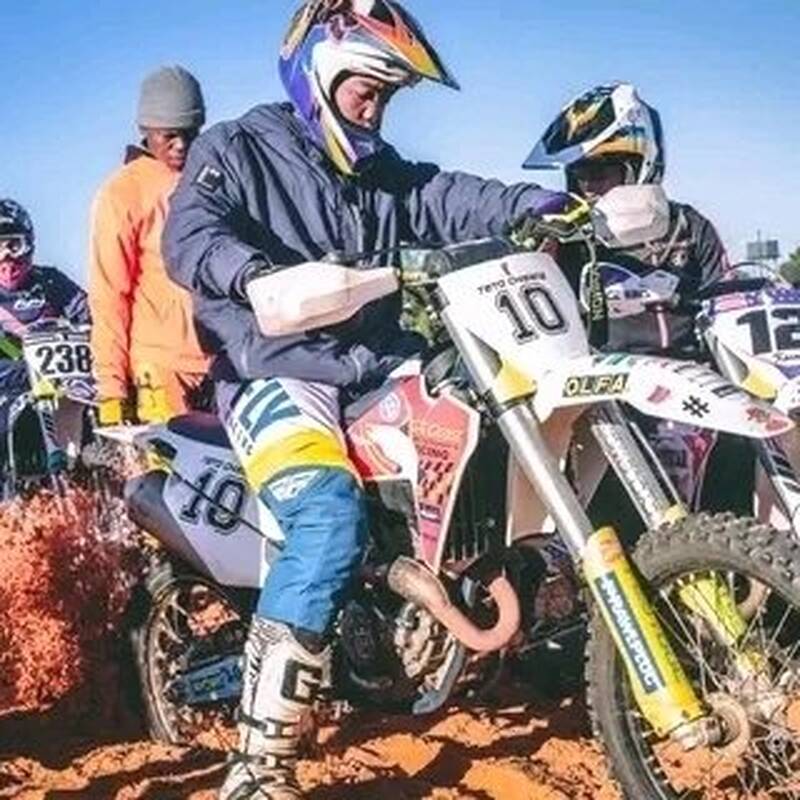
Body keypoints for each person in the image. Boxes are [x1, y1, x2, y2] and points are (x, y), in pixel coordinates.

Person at [162, 2, 569, 797]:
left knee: (483, 414)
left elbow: (450, 195)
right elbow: (191, 236)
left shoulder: (383, 172)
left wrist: (539, 205)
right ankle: (258, 767)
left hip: (374, 366)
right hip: (275, 369)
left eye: (388, 94)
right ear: (318, 72)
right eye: (368, 87)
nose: (378, 107)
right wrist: (253, 274)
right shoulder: (238, 148)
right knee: (326, 519)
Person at [524, 82, 730, 509]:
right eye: (580, 174)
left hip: (691, 387)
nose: (589, 186)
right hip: (602, 394)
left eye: (600, 172)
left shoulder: (691, 227)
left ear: (639, 166)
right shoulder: (566, 237)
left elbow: (725, 305)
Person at [89, 65, 212, 426]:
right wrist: (111, 389)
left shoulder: (214, 177)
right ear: (146, 130)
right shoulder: (122, 193)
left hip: (224, 364)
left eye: (190, 133)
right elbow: (109, 295)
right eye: (169, 136)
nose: (181, 145)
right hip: (160, 369)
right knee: (166, 463)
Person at [0, 198, 89, 471]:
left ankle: (81, 470)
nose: (6, 259)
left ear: (29, 245)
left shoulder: (50, 281)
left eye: (13, 245)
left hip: (60, 383)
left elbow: (89, 314)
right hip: (8, 382)